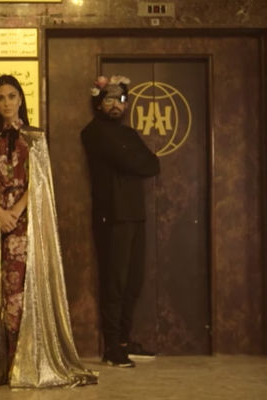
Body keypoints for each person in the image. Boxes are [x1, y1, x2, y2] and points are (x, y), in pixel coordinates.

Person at [0, 75, 97, 391]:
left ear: (20, 99)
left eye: (11, 96)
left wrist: (15, 212)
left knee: (18, 293)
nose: (6, 103)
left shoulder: (35, 138)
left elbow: (40, 185)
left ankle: (23, 362)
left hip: (24, 226)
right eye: (0, 97)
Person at [81, 75, 160, 368]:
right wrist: (132, 159)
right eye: (110, 99)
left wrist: (132, 159)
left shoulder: (128, 134)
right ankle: (112, 348)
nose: (116, 105)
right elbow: (132, 161)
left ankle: (125, 341)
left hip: (135, 214)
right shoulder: (92, 132)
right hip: (112, 215)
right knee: (114, 283)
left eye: (121, 99)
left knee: (133, 281)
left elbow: (152, 164)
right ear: (99, 103)